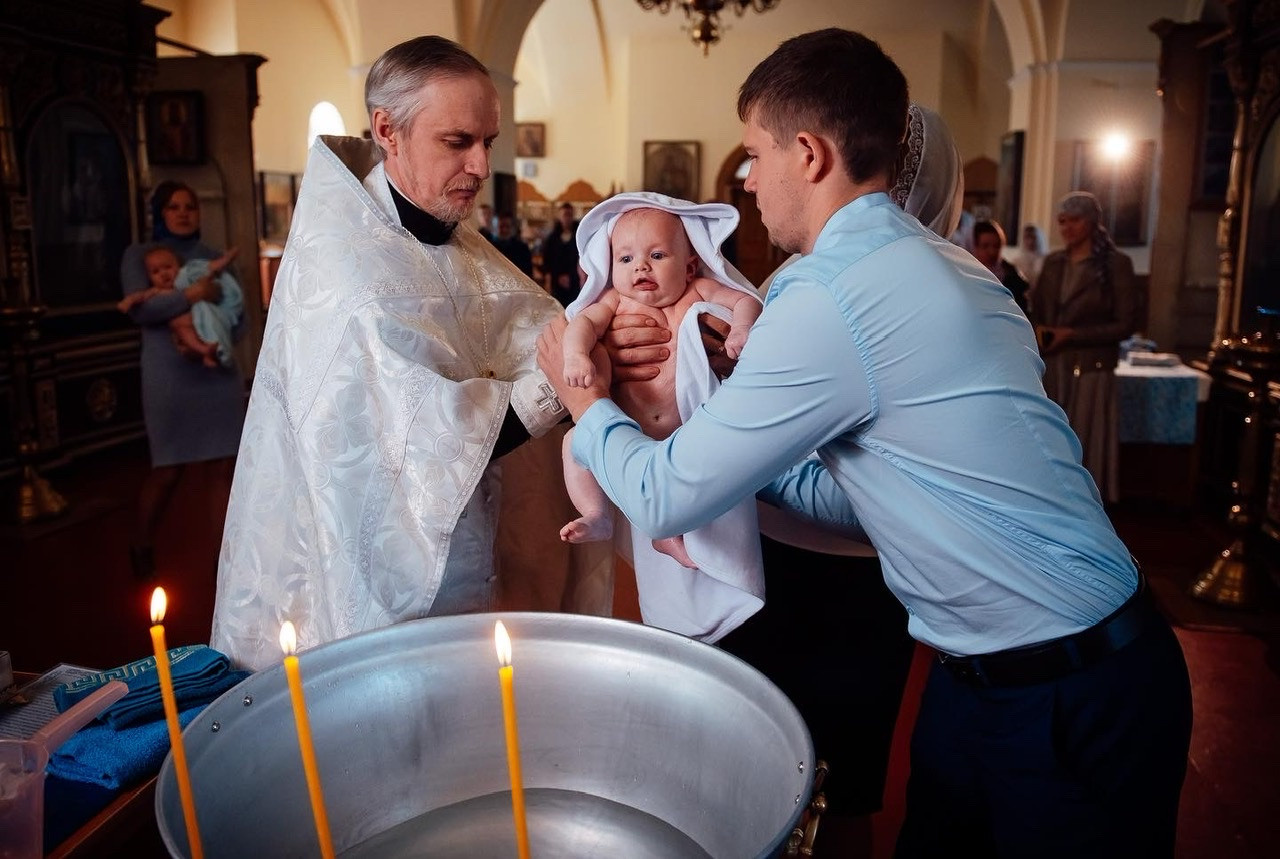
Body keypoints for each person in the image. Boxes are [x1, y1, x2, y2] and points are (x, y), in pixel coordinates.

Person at [538, 28, 1191, 857]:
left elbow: (664, 498)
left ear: (809, 154)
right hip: (987, 675)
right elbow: (872, 498)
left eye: (755, 154)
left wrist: (585, 396)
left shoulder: (825, 297)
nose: (748, 180)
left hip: (1070, 686)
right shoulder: (958, 270)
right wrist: (733, 440)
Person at [209, 36, 622, 671]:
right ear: (387, 131)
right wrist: (568, 378)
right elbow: (417, 443)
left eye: (489, 141)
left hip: (491, 563)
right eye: (458, 141)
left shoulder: (455, 240)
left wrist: (618, 334)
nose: (481, 166)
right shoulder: (346, 271)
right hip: (384, 588)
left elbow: (540, 332)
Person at [560, 197, 762, 576]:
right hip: (629, 430)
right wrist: (575, 357)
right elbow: (581, 325)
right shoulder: (615, 301)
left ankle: (669, 534)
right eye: (625, 259)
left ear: (689, 266)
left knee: (701, 474)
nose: (641, 266)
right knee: (574, 442)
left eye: (656, 255)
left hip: (688, 429)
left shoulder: (698, 290)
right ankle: (596, 513)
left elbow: (746, 300)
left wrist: (741, 329)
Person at [119, 181, 247, 581]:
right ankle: (141, 543)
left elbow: (240, 316)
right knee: (168, 470)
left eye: (190, 206)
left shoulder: (213, 256)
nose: (183, 213)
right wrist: (193, 295)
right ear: (160, 213)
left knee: (222, 468)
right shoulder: (139, 255)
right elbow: (142, 312)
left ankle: (223, 565)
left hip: (216, 373)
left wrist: (215, 334)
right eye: (173, 207)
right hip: (169, 377)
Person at [1030, 191, 1141, 504]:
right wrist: (1041, 331)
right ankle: (1053, 501)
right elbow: (1038, 311)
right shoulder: (1054, 263)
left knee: (1087, 441)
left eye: (1075, 221)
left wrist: (1073, 334)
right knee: (1054, 440)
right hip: (1056, 366)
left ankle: (1087, 505)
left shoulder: (1116, 265)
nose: (1067, 228)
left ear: (1092, 222)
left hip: (1091, 368)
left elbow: (1125, 324)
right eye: (1062, 221)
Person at [120, 245, 244, 368]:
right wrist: (129, 301)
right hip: (184, 325)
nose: (163, 274)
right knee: (177, 324)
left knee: (192, 323)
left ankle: (217, 349)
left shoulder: (185, 277)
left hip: (202, 315)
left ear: (178, 266)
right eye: (155, 272)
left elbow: (211, 268)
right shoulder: (158, 290)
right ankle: (204, 350)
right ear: (150, 277)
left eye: (168, 267)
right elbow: (142, 297)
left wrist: (227, 258)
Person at [972, 218, 1030, 312]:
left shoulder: (1014, 277)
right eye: (985, 246)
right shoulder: (968, 274)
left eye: (996, 246)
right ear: (975, 247)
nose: (992, 252)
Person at [542, 201, 581, 306]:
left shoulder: (579, 236)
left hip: (575, 282)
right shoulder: (552, 238)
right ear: (560, 217)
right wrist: (553, 279)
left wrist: (571, 277)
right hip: (556, 282)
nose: (567, 218)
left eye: (569, 215)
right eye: (564, 215)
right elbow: (547, 261)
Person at [488, 210, 533, 276]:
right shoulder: (488, 247)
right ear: (494, 228)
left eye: (508, 226)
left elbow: (528, 274)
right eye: (501, 226)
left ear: (512, 228)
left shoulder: (522, 248)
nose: (505, 230)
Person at [1008, 221, 1047, 286]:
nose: (1030, 241)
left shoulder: (1046, 261)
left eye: (1033, 237)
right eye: (1027, 237)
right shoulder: (1016, 262)